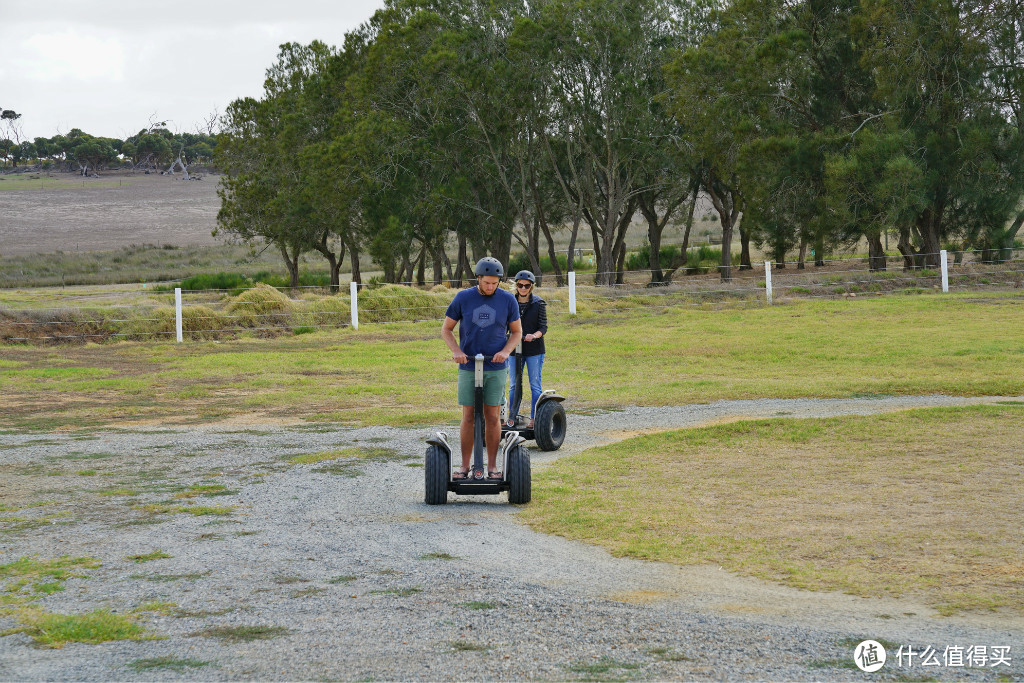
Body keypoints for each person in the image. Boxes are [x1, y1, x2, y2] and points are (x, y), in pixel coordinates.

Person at [441, 257, 522, 480]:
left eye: (495, 283)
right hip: (468, 366)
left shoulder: (507, 300)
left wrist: (506, 352)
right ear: (478, 278)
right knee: (468, 416)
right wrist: (457, 351)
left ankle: (493, 467)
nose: (490, 287)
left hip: (495, 367)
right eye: (487, 283)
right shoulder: (463, 298)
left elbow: (516, 332)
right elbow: (446, 329)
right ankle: (465, 466)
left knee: (493, 416)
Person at [506, 270, 547, 428]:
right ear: (516, 286)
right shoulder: (510, 302)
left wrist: (534, 335)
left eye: (526, 286)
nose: (523, 288)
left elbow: (543, 327)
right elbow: (505, 324)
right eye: (520, 285)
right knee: (514, 384)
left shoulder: (538, 303)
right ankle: (512, 416)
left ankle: (534, 418)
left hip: (534, 350)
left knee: (534, 384)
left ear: (531, 287)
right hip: (514, 349)